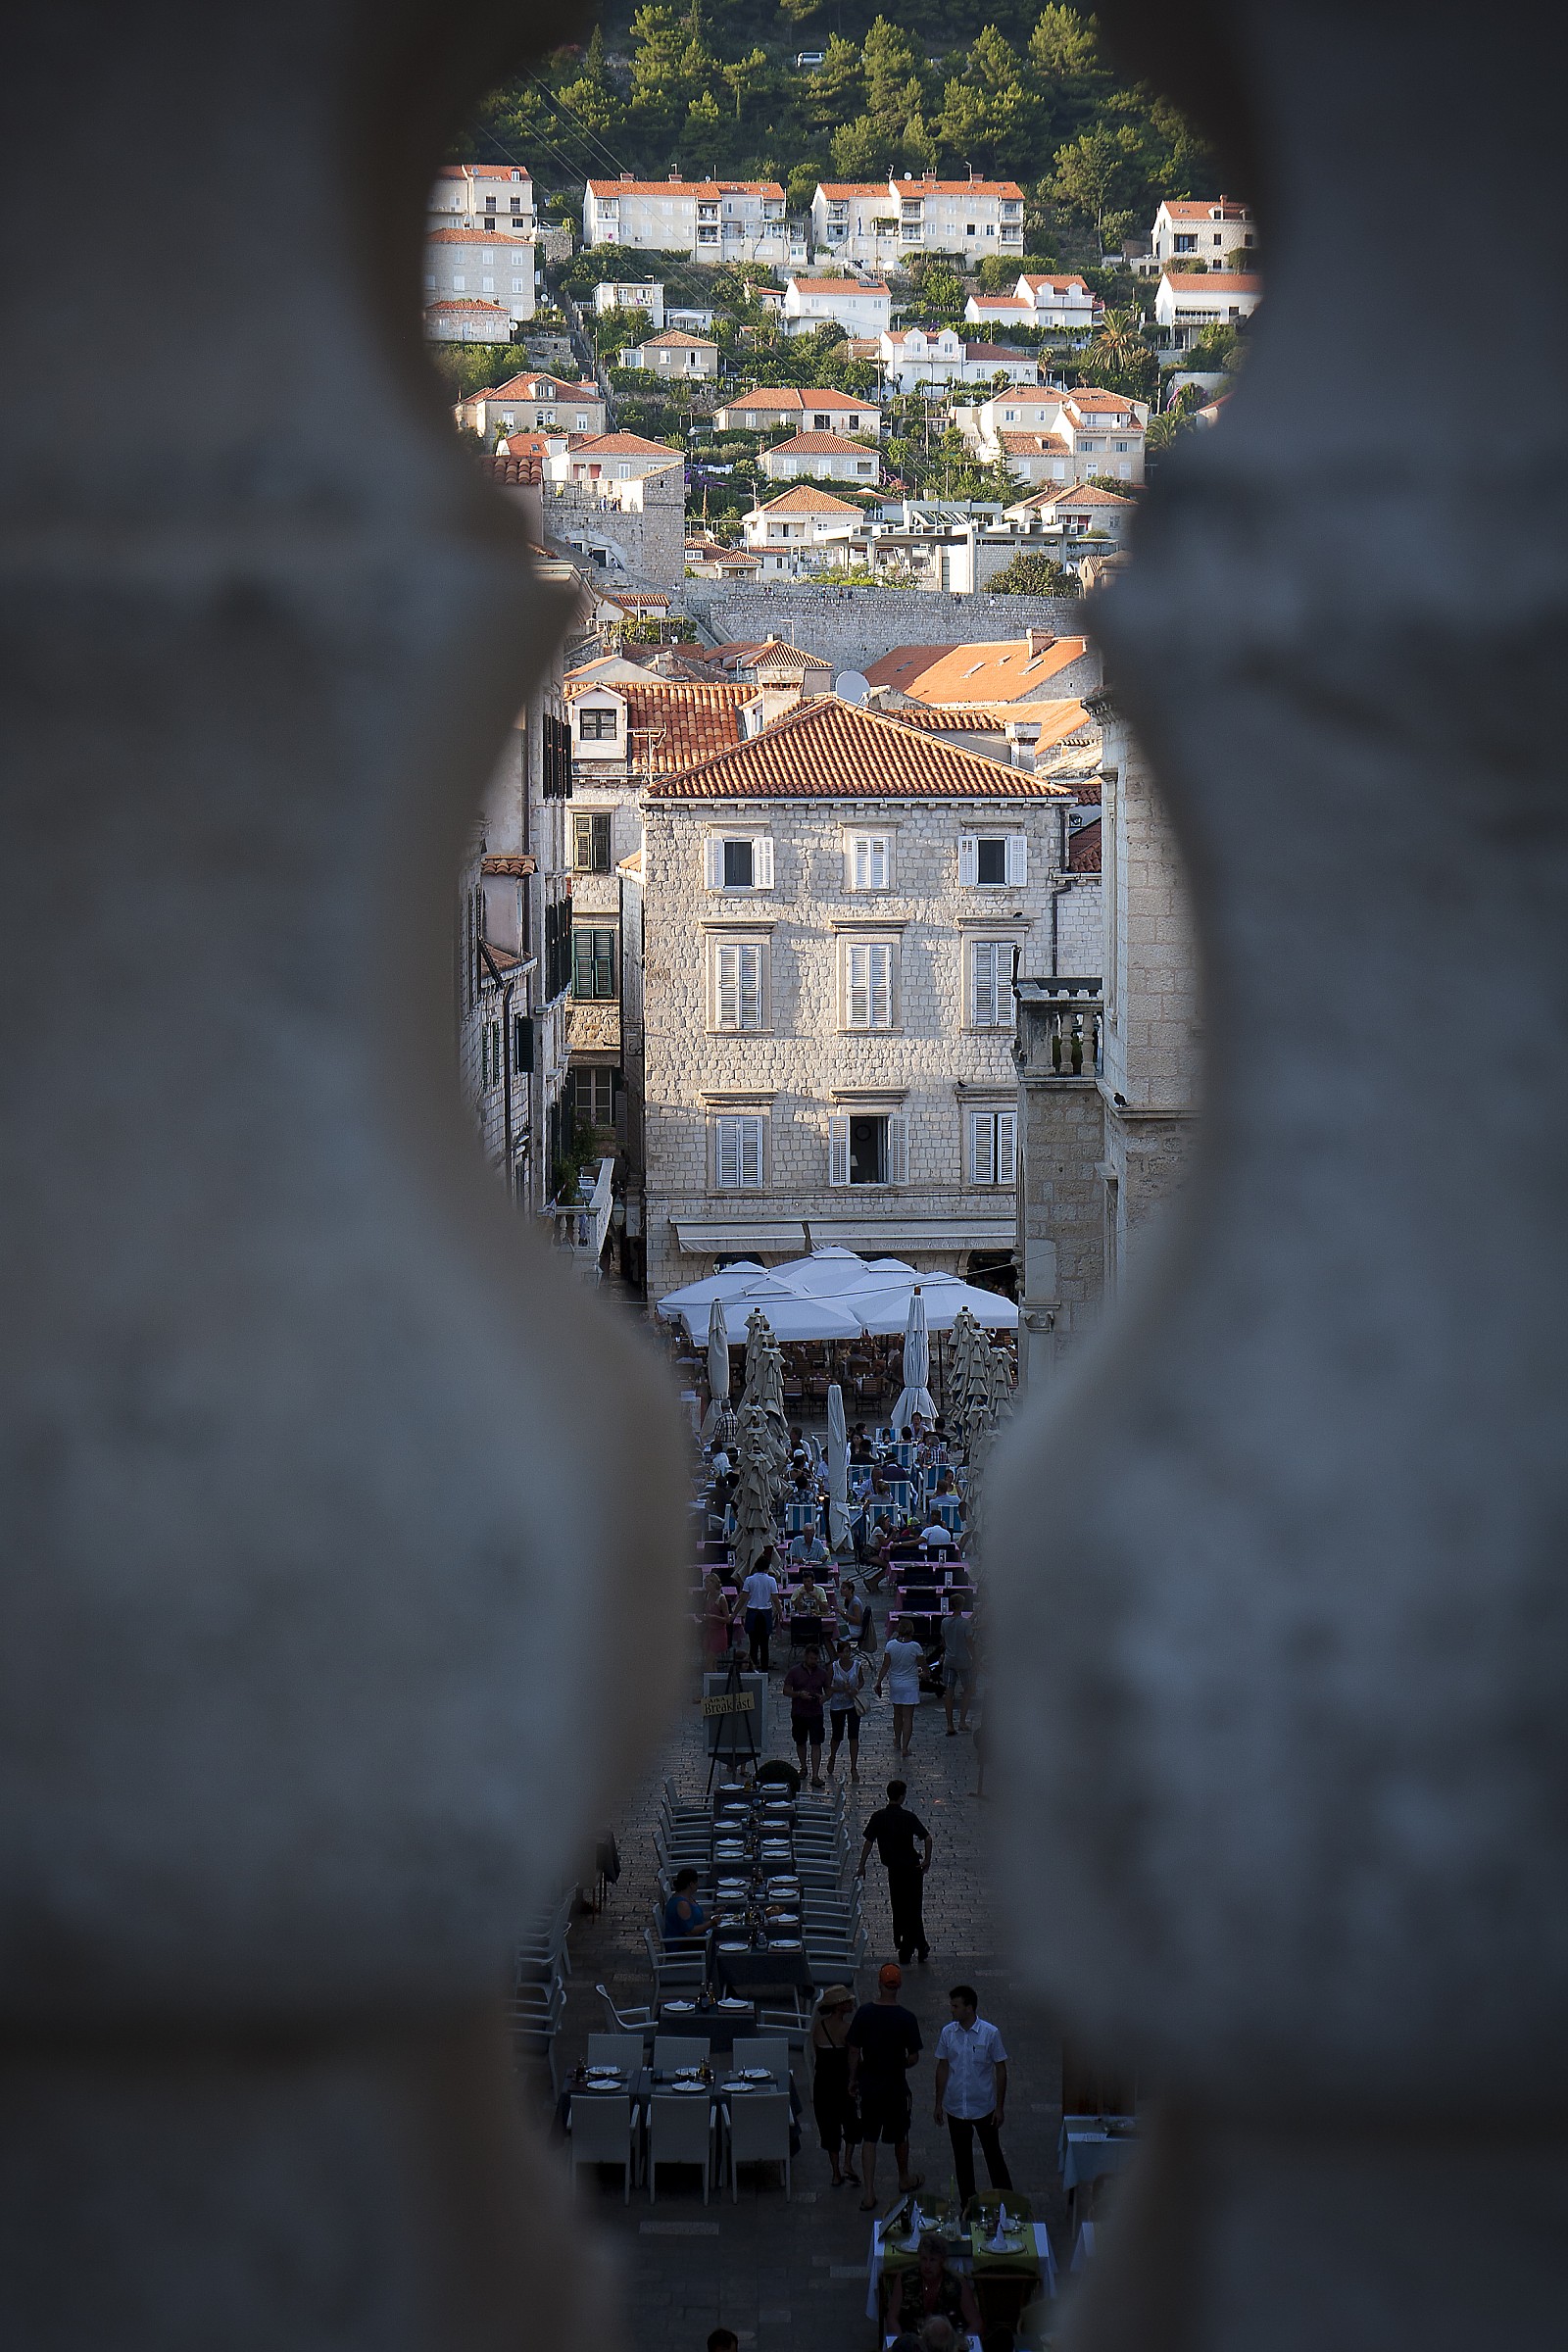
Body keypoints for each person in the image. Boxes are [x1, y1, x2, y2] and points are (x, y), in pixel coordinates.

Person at [846, 1962, 924, 2211]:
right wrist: (900, 2063)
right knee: (901, 2134)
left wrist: (853, 2079)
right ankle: (904, 2178)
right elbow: (914, 2056)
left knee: (869, 2138)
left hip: (870, 2085)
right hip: (896, 2086)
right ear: (898, 1986)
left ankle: (869, 2193)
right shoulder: (907, 2018)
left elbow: (854, 2050)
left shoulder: (864, 2013)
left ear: (879, 1984)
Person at [933, 1984, 1012, 2206]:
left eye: (955, 2006)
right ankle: (967, 2204)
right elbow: (942, 2067)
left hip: (983, 2107)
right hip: (956, 2108)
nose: (952, 2010)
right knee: (962, 2160)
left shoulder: (990, 2033)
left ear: (969, 2008)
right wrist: (938, 2103)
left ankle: (1007, 2200)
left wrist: (999, 2107)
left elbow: (1000, 2069)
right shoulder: (948, 2033)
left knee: (993, 2155)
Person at [858, 1781, 932, 1966]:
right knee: (913, 1909)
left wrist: (862, 1865)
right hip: (912, 1869)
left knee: (899, 1907)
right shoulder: (909, 1817)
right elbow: (927, 1838)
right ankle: (916, 1946)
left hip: (894, 1870)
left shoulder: (878, 1817)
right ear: (902, 1796)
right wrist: (926, 1860)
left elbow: (868, 1841)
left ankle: (908, 1944)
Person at [809, 1984, 861, 2188]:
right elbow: (853, 2054)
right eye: (847, 2001)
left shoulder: (818, 2027)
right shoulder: (847, 2029)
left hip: (822, 2083)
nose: (850, 2004)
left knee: (828, 2126)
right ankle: (848, 2162)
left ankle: (835, 2172)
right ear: (839, 2006)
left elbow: (817, 2053)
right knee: (851, 2123)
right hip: (841, 2082)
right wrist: (854, 2080)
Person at [888, 2235, 980, 2338]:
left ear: (942, 2261)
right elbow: (892, 2317)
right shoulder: (905, 2278)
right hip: (911, 2340)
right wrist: (900, 2341)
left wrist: (961, 2343)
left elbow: (975, 2323)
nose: (927, 2265)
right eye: (924, 2259)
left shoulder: (957, 2282)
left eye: (932, 2260)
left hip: (947, 2341)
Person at [876, 1615, 927, 1760]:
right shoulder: (915, 1647)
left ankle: (897, 1740)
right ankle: (905, 1747)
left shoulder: (890, 1645)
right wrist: (926, 1673)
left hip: (895, 1683)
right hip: (910, 1684)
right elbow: (923, 1665)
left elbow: (885, 1665)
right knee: (908, 1717)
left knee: (897, 1714)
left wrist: (878, 1682)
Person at [782, 1642, 832, 1787]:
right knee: (800, 1741)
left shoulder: (822, 1673)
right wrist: (798, 1694)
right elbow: (786, 1690)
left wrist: (824, 1698)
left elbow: (829, 1690)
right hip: (799, 1712)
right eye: (811, 1658)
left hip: (816, 1713)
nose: (813, 1661)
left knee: (816, 1743)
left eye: (815, 1659)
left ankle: (815, 1775)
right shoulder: (794, 1671)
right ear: (805, 1657)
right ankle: (803, 1767)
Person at [826, 1636, 872, 1781]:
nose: (846, 1655)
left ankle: (854, 1767)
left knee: (853, 1735)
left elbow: (861, 1681)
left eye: (848, 1651)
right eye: (843, 1652)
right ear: (839, 1653)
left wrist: (856, 1689)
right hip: (837, 1705)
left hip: (852, 1704)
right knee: (837, 1735)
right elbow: (828, 1686)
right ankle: (832, 1756)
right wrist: (841, 1689)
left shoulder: (857, 1665)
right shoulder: (833, 1667)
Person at [741, 1544, 781, 1672]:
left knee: (753, 1645)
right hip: (765, 1613)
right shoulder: (771, 1580)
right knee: (764, 1646)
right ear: (767, 1568)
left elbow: (743, 1598)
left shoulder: (749, 1580)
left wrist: (735, 1613)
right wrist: (780, 1613)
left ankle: (752, 1671)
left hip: (752, 1612)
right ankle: (764, 1672)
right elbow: (775, 1599)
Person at [939, 1610, 974, 1736]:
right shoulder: (965, 1623)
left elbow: (943, 1641)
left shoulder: (944, 1622)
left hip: (949, 1659)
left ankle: (949, 1724)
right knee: (968, 1689)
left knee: (949, 1691)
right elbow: (969, 1641)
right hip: (963, 1660)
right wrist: (974, 1657)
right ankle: (962, 1721)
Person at [701, 1569, 734, 1665]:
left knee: (709, 1661)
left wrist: (713, 1617)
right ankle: (713, 1674)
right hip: (709, 1631)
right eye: (705, 1584)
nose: (706, 1586)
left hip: (719, 1632)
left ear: (714, 1584)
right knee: (712, 1662)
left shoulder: (721, 1599)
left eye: (708, 1583)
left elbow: (727, 1619)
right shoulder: (706, 1596)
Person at [662, 1867, 706, 1941]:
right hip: (683, 1944)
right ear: (691, 1884)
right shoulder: (682, 1904)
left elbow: (696, 1915)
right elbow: (690, 1932)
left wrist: (714, 1913)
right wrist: (711, 1923)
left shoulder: (686, 1897)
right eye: (696, 1882)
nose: (698, 1884)